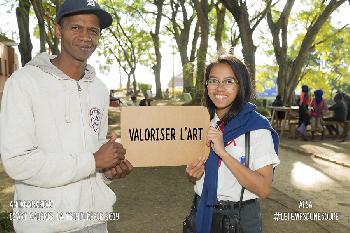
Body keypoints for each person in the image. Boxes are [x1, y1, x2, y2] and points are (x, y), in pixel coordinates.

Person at [0, 0, 133, 232]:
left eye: (93, 30)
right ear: (58, 30)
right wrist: (93, 161)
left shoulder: (99, 88)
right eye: (76, 27)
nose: (85, 36)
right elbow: (18, 162)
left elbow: (94, 150)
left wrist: (108, 169)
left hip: (94, 222)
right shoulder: (24, 83)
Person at [185, 55, 279, 233]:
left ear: (240, 85)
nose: (219, 88)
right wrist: (193, 174)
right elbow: (196, 179)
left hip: (239, 220)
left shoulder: (257, 128)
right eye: (213, 81)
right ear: (206, 85)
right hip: (201, 212)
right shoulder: (201, 122)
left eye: (228, 81)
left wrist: (224, 153)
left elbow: (264, 189)